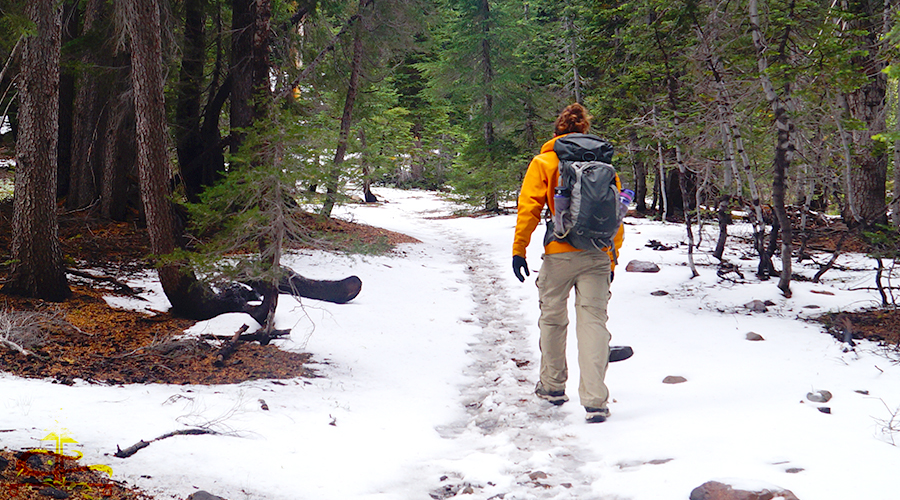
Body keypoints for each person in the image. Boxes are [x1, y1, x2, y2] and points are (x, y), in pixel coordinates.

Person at [511, 103, 624, 424]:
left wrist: (519, 249)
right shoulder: (604, 166)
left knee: (553, 318)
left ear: (557, 132)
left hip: (559, 253)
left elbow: (529, 209)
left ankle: (552, 386)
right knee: (593, 323)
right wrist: (612, 257)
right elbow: (616, 217)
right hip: (597, 255)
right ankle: (595, 401)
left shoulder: (545, 161)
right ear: (585, 132)